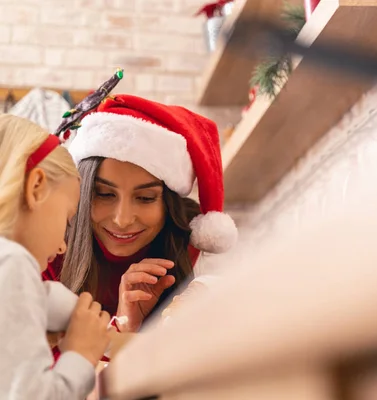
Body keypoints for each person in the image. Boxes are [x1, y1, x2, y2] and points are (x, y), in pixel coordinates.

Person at [43, 95, 237, 339]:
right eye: (103, 194)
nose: (122, 220)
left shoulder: (192, 247)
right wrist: (121, 329)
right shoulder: (48, 249)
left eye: (145, 198)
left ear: (169, 204)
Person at [0, 114, 112, 399]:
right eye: (67, 219)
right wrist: (82, 355)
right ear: (36, 187)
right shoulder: (12, 262)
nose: (63, 247)